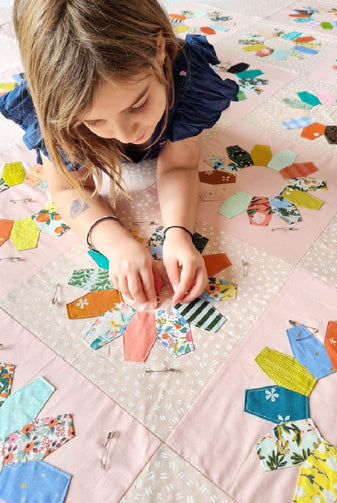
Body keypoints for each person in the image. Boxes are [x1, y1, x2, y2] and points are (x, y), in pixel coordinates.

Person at [1, 0, 239, 308]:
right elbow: (67, 187)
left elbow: (179, 168)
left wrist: (179, 235)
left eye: (138, 104)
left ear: (159, 50)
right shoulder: (56, 107)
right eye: (94, 120)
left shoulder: (186, 79)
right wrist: (115, 244)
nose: (127, 134)